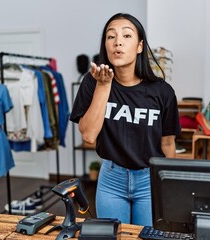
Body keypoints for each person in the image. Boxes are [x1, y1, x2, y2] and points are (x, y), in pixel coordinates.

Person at [70, 13, 181, 226]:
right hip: (111, 180)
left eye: (126, 36)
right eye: (111, 36)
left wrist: (169, 185)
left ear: (140, 46)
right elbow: (89, 135)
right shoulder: (93, 83)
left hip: (149, 180)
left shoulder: (162, 92)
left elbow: (167, 143)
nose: (117, 41)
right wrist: (103, 86)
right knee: (112, 236)